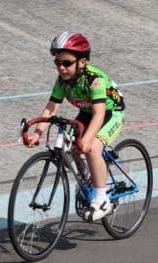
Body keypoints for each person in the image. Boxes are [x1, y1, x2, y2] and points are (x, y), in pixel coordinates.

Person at [27, 31, 125, 221]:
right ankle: (89, 177)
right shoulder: (62, 81)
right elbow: (51, 108)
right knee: (71, 150)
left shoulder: (94, 80)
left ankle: (101, 198)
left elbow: (99, 114)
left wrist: (88, 141)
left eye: (67, 63)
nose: (61, 68)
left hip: (109, 113)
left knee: (92, 147)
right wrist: (37, 134)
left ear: (82, 62)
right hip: (87, 112)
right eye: (58, 63)